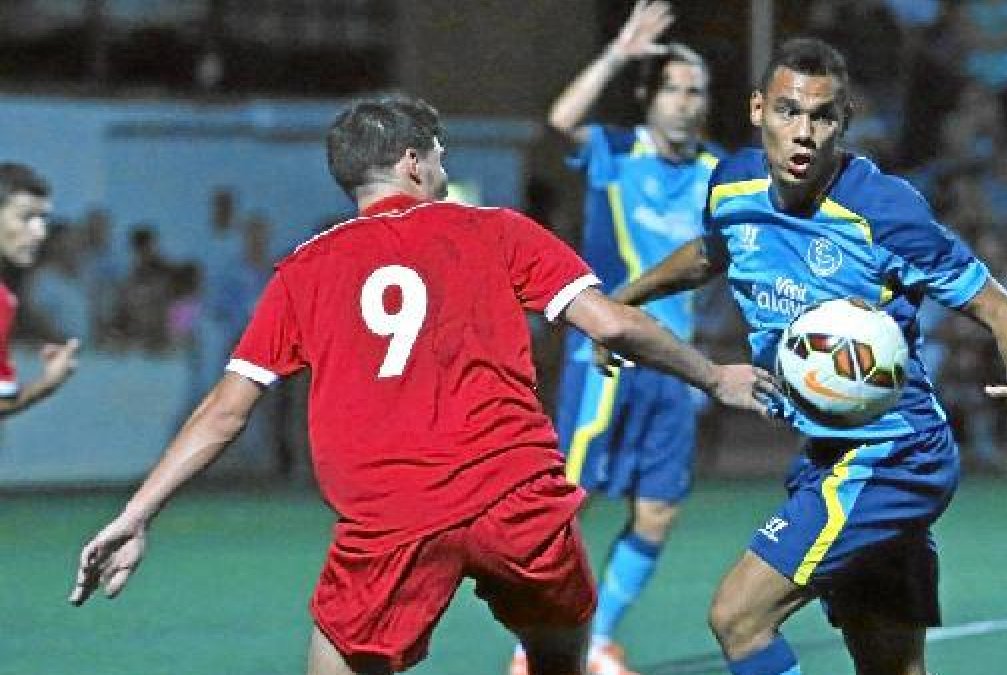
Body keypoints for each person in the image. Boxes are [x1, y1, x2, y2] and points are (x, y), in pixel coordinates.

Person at [67, 94, 776, 675]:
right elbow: (613, 326)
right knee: (559, 652)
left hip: (390, 518)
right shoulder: (497, 229)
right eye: (439, 152)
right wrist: (715, 376)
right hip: (516, 497)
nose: (443, 165)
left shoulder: (303, 271)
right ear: (412, 160)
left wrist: (138, 512)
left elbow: (227, 411)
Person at [602, 39, 1007, 675]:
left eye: (822, 117)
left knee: (738, 617)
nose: (803, 133)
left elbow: (1003, 310)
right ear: (759, 110)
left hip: (893, 456)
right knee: (889, 666)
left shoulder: (885, 211)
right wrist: (623, 301)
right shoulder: (732, 184)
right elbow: (708, 254)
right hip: (829, 454)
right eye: (787, 111)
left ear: (845, 121)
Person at [514, 4, 719, 674]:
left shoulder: (719, 174)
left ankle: (594, 639)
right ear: (648, 96)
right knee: (571, 503)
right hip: (603, 357)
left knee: (658, 509)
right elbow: (559, 121)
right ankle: (537, 645)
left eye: (698, 92)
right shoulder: (614, 153)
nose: (688, 104)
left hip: (674, 363)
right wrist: (617, 54)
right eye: (675, 89)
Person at [0, 162, 79, 417]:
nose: (40, 232)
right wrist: (48, 383)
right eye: (26, 217)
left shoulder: (6, 299)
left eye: (43, 218)